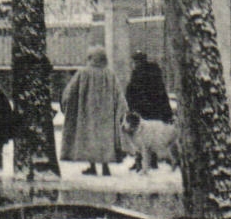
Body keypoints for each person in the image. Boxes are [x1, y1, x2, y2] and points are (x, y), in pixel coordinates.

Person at [61, 46, 127, 176]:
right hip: (106, 115)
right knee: (104, 139)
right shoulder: (109, 74)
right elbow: (119, 94)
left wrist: (65, 104)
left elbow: (70, 92)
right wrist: (122, 109)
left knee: (90, 138)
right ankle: (105, 166)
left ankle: (92, 166)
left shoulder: (83, 73)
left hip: (87, 113)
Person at [124, 51, 174, 170]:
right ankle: (151, 161)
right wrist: (166, 111)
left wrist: (130, 106)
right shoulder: (154, 73)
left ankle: (140, 162)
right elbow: (162, 93)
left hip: (142, 109)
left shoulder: (137, 74)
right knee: (151, 136)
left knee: (141, 137)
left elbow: (131, 91)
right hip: (154, 109)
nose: (134, 64)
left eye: (135, 61)